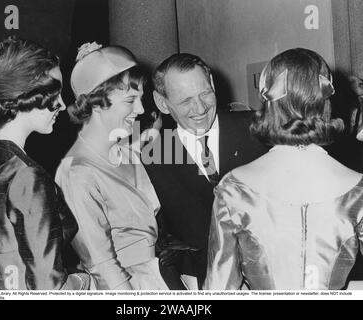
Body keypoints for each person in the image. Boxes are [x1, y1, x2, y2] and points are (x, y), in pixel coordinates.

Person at [204, 48, 363, 290]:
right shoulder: (357, 188)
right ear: (326, 103)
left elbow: (219, 287)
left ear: (269, 104)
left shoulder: (234, 188)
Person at [0, 37, 90, 290]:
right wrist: (85, 281)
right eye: (55, 94)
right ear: (27, 95)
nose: (63, 105)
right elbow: (49, 289)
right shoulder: (25, 175)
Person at [144, 53, 267, 289]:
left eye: (205, 94)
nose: (199, 108)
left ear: (212, 83)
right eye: (185, 100)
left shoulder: (258, 128)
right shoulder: (153, 155)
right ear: (162, 103)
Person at [55, 42, 168, 290]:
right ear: (96, 103)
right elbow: (101, 264)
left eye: (140, 99)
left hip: (157, 276)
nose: (139, 109)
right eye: (130, 100)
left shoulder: (127, 152)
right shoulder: (76, 172)